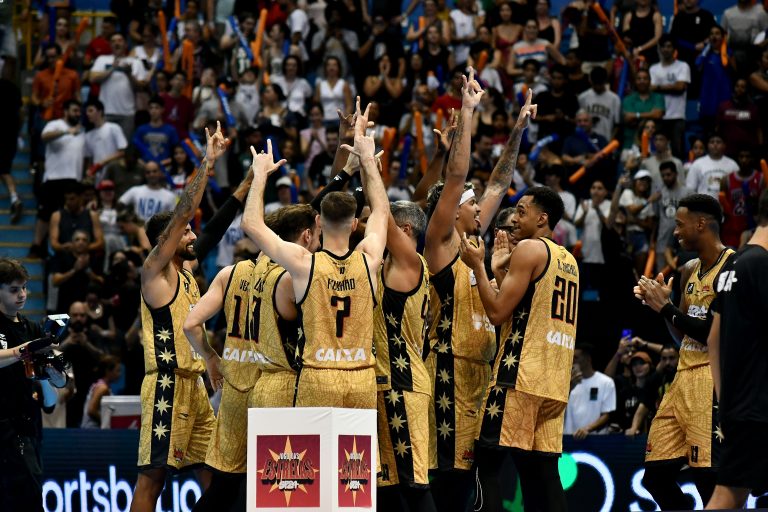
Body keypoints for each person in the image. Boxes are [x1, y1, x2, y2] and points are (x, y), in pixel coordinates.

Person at [422, 70, 529, 512]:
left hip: (481, 368)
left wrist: (518, 131)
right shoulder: (439, 244)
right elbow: (457, 176)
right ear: (452, 211)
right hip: (447, 367)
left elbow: (500, 183)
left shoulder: (475, 241)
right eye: (471, 204)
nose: (480, 208)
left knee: (477, 481)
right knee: (450, 479)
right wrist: (467, 112)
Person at [241, 99, 388, 410]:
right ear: (354, 225)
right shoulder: (369, 258)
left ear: (318, 221)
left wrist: (260, 175)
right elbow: (381, 211)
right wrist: (366, 156)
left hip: (318, 376)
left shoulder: (303, 263)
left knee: (317, 446)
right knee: (358, 446)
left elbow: (251, 225)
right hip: (362, 376)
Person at [129, 123, 230, 512]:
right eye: (185, 232)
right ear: (167, 239)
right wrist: (207, 161)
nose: (192, 236)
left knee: (214, 472)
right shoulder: (154, 271)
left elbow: (214, 230)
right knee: (152, 479)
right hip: (166, 384)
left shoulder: (187, 273)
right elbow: (185, 208)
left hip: (195, 385)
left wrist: (210, 358)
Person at [458, 185, 577, 512]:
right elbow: (525, 306)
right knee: (542, 472)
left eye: (522, 212)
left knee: (484, 464)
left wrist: (478, 266)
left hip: (518, 377)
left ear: (542, 218)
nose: (515, 219)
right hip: (554, 382)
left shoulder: (528, 249)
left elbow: (498, 313)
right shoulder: (568, 259)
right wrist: (499, 269)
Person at [634, 194, 733, 510]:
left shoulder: (733, 268)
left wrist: (666, 307)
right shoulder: (689, 269)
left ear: (701, 223)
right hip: (682, 377)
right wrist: (663, 309)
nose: (675, 231)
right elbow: (683, 336)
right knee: (655, 477)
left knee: (707, 478)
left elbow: (711, 334)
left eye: (679, 224)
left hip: (711, 377)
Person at [706, 189, 768, 509]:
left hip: (738, 407)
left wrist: (725, 401)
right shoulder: (763, 265)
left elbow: (712, 339)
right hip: (760, 407)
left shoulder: (734, 263)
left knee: (731, 494)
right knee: (728, 496)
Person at [374, 200, 436, 512]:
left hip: (403, 385)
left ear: (404, 230)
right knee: (387, 488)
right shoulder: (388, 264)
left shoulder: (410, 262)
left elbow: (381, 211)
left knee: (414, 486)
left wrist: (369, 173)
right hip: (387, 385)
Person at [0, 258, 66, 512]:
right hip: (4, 426)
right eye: (13, 289)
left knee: (29, 497)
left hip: (29, 427)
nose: (22, 295)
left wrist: (52, 372)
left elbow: (56, 388)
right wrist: (23, 351)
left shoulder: (33, 329)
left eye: (24, 288)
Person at [33, 100, 86, 258]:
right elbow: (45, 136)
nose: (77, 114)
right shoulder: (55, 124)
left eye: (79, 111)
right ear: (66, 111)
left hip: (73, 179)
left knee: (69, 214)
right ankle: (36, 246)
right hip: (54, 178)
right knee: (45, 213)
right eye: (74, 110)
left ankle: (66, 248)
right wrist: (66, 131)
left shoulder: (82, 130)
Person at [89, 33, 149, 138]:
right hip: (106, 112)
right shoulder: (102, 59)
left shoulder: (135, 62)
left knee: (125, 146)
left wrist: (129, 74)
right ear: (110, 45)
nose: (116, 43)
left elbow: (141, 87)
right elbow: (92, 78)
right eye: (113, 41)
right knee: (106, 145)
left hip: (127, 113)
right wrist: (111, 68)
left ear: (125, 44)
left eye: (120, 41)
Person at [649, 35, 691, 158]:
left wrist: (658, 87)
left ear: (674, 49)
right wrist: (670, 86)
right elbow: (650, 90)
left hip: (677, 116)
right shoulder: (653, 68)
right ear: (659, 48)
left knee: (677, 152)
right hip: (658, 116)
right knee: (657, 152)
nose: (666, 49)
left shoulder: (683, 66)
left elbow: (680, 87)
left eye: (669, 46)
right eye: (663, 46)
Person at [564, 344, 616, 437]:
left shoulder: (606, 382)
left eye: (576, 357)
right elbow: (555, 410)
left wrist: (587, 429)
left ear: (588, 359)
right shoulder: (564, 383)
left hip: (596, 440)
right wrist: (570, 387)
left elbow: (607, 415)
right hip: (569, 439)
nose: (572, 361)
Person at [720, 149, 764, 249]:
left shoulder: (761, 178)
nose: (744, 160)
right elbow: (722, 206)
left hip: (754, 229)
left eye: (747, 157)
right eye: (741, 157)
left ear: (752, 159)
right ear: (737, 159)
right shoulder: (726, 180)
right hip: (732, 231)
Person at [655, 162, 693, 272]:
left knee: (682, 274)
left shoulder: (687, 192)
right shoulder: (659, 193)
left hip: (682, 242)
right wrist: (653, 240)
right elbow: (656, 218)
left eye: (668, 174)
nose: (665, 178)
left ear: (676, 174)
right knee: (661, 276)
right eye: (663, 175)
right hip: (663, 240)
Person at [83, 99, 128, 182]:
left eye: (91, 111)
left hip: (114, 171)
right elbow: (89, 159)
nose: (88, 114)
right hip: (98, 174)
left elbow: (122, 152)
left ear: (100, 112)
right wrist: (89, 171)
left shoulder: (113, 128)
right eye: (87, 111)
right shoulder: (88, 135)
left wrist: (102, 162)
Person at [622, 69, 665, 150]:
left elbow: (658, 114)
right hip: (630, 143)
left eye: (645, 78)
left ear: (650, 81)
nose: (642, 81)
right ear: (635, 81)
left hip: (654, 144)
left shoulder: (658, 97)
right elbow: (628, 119)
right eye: (639, 79)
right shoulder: (628, 99)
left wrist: (636, 115)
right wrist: (650, 115)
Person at [685, 134, 739, 199]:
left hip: (725, 204)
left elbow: (737, 190)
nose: (715, 144)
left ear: (724, 145)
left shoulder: (733, 165)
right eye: (712, 142)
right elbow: (690, 189)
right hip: (702, 204)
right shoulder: (697, 163)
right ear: (707, 145)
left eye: (718, 142)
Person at [578, 67, 621, 141]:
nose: (598, 87)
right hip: (585, 141)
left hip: (606, 140)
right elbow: (578, 121)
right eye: (595, 84)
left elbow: (617, 125)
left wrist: (610, 141)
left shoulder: (615, 99)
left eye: (600, 84)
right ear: (590, 80)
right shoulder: (583, 97)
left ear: (605, 81)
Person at [80, 355, 122, 428]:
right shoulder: (102, 388)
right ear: (108, 371)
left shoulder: (102, 386)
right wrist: (108, 423)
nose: (120, 374)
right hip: (92, 430)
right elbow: (91, 410)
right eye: (117, 371)